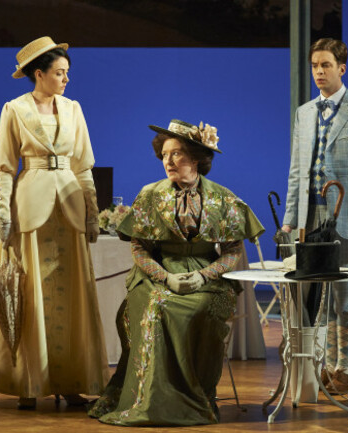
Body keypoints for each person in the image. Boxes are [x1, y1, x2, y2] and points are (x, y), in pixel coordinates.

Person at [88, 119, 264, 426]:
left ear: (196, 158)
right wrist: (164, 277)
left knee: (203, 310)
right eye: (165, 154)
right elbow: (139, 247)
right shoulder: (150, 194)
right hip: (158, 272)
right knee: (158, 305)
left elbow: (233, 249)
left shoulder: (222, 197)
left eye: (177, 154)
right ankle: (151, 402)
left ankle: (196, 399)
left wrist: (203, 276)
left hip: (206, 275)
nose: (168, 161)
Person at [0, 36, 110, 409]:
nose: (66, 79)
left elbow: (83, 165)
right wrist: (4, 213)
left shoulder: (73, 109)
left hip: (68, 206)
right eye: (59, 73)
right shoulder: (15, 109)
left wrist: (92, 212)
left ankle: (70, 380)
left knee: (71, 296)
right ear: (39, 74)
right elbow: (5, 167)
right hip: (32, 207)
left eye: (67, 73)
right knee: (29, 292)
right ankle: (28, 381)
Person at [280, 38, 348, 394]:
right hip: (311, 216)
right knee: (314, 296)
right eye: (314, 66)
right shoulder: (304, 112)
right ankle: (321, 364)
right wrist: (290, 218)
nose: (319, 72)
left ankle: (343, 368)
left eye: (326, 65)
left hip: (347, 215)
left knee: (344, 296)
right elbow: (297, 170)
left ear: (342, 68)